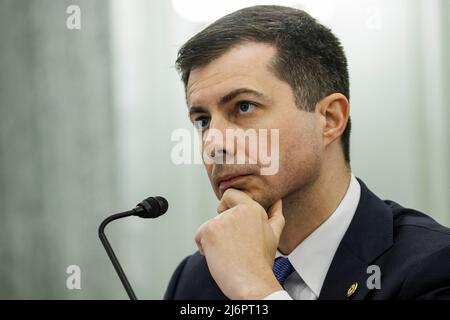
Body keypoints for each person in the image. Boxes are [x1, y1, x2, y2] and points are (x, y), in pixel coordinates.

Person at [164, 5, 450, 300]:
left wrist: (257, 290)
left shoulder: (433, 268)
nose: (214, 145)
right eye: (203, 121)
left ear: (329, 119)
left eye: (244, 107)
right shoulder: (196, 279)